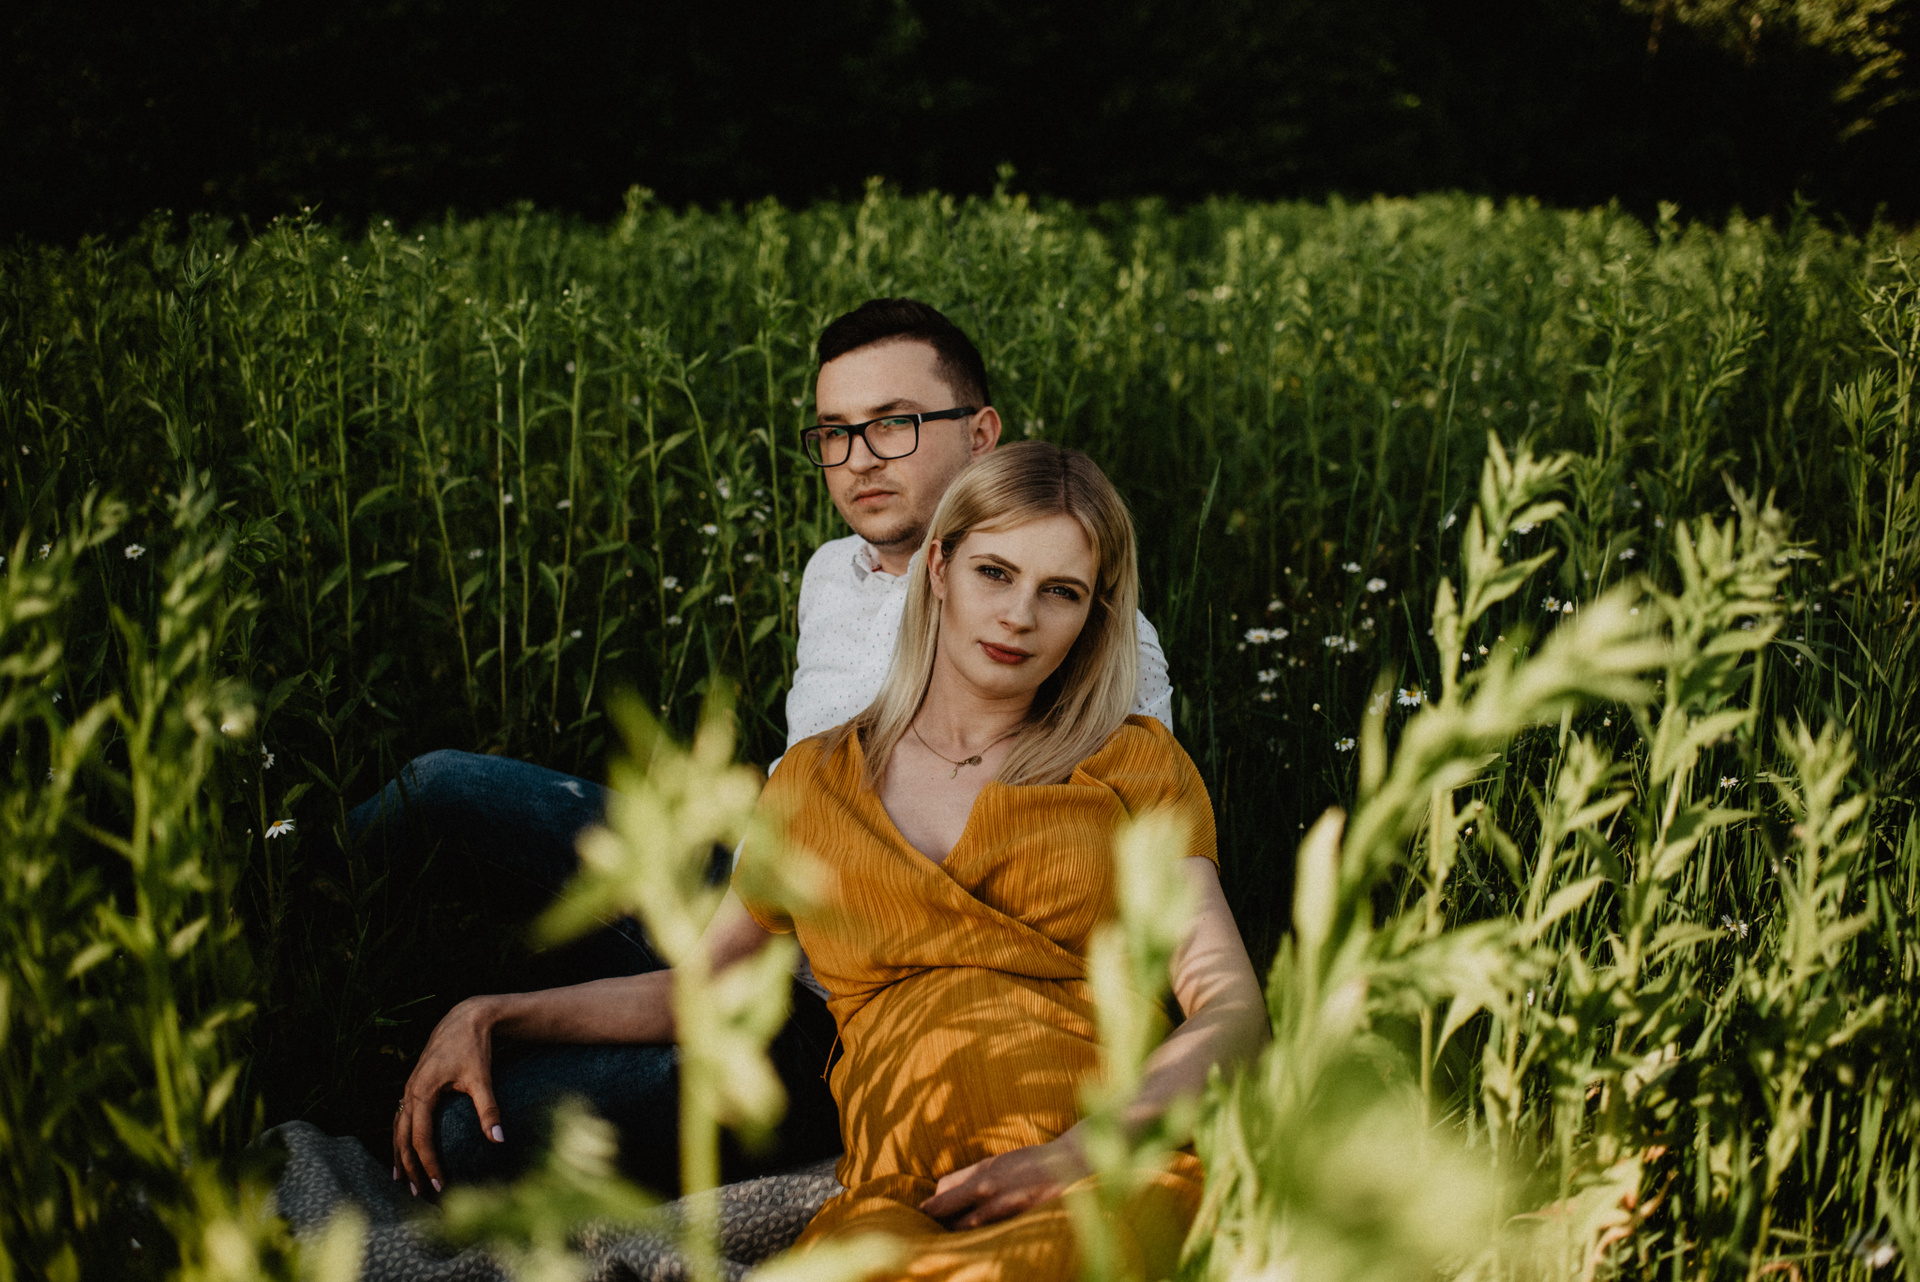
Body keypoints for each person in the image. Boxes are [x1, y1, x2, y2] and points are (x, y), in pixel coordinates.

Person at [399, 443, 1268, 1281]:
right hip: (902, 1190)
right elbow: (699, 990)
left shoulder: (1131, 763)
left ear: (1092, 618)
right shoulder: (817, 783)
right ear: (939, 569)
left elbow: (1230, 1006)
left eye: (1061, 592)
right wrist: (495, 1013)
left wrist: (1082, 1151)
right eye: (994, 573)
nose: (1019, 616)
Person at [372, 299, 1177, 1191]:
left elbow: (1110, 888)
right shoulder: (832, 574)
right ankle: (299, 968)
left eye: (894, 425)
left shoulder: (1071, 638)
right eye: (834, 432)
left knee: (463, 1137)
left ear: (981, 435)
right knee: (433, 792)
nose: (859, 459)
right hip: (752, 897)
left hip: (842, 1002)